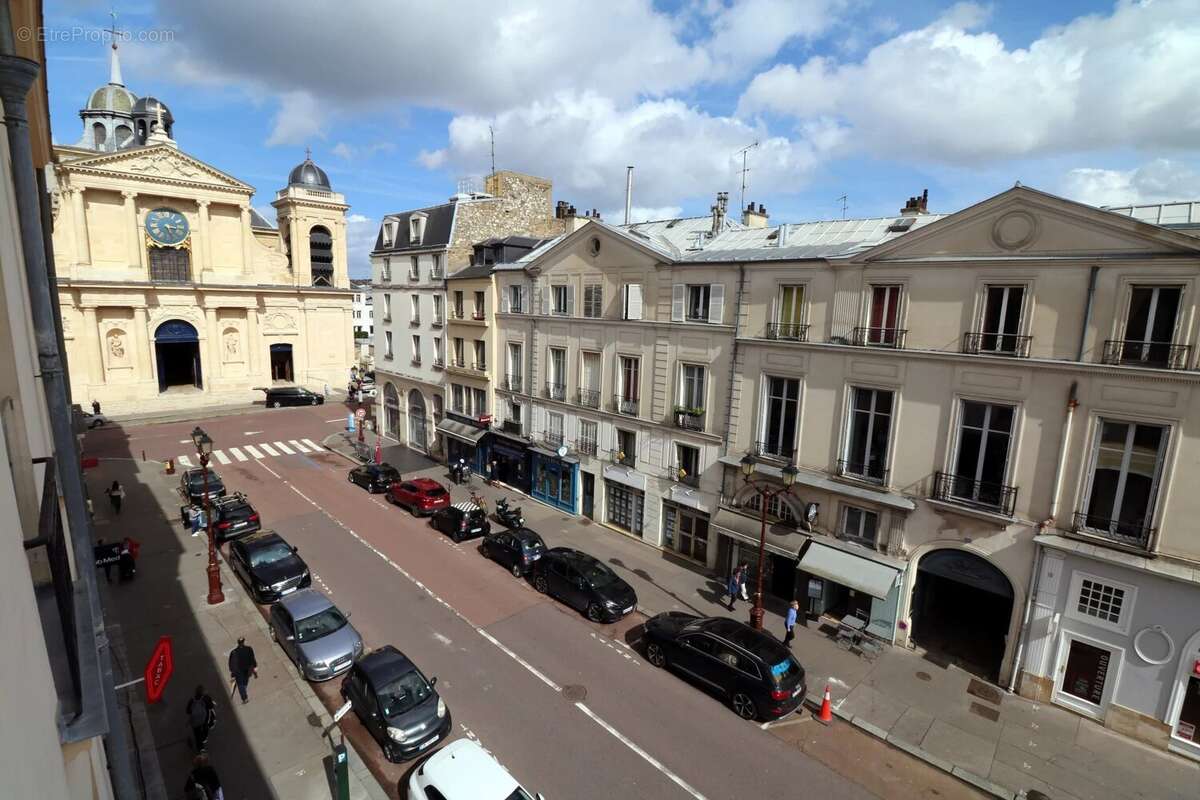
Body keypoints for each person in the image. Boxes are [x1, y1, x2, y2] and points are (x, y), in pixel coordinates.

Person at [186, 685, 216, 752]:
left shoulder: (192, 700)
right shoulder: (206, 698)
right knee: (205, 728)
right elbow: (211, 707)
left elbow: (188, 711)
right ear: (203, 693)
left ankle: (200, 747)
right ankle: (204, 739)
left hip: (195, 722)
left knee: (197, 734)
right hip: (204, 719)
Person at [228, 637, 257, 704]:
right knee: (244, 681)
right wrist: (254, 666)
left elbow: (231, 662)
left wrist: (232, 672)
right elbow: (252, 658)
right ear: (244, 642)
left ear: (238, 643)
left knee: (240, 684)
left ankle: (244, 698)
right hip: (247, 669)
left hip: (238, 671)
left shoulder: (234, 652)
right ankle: (244, 690)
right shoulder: (249, 649)